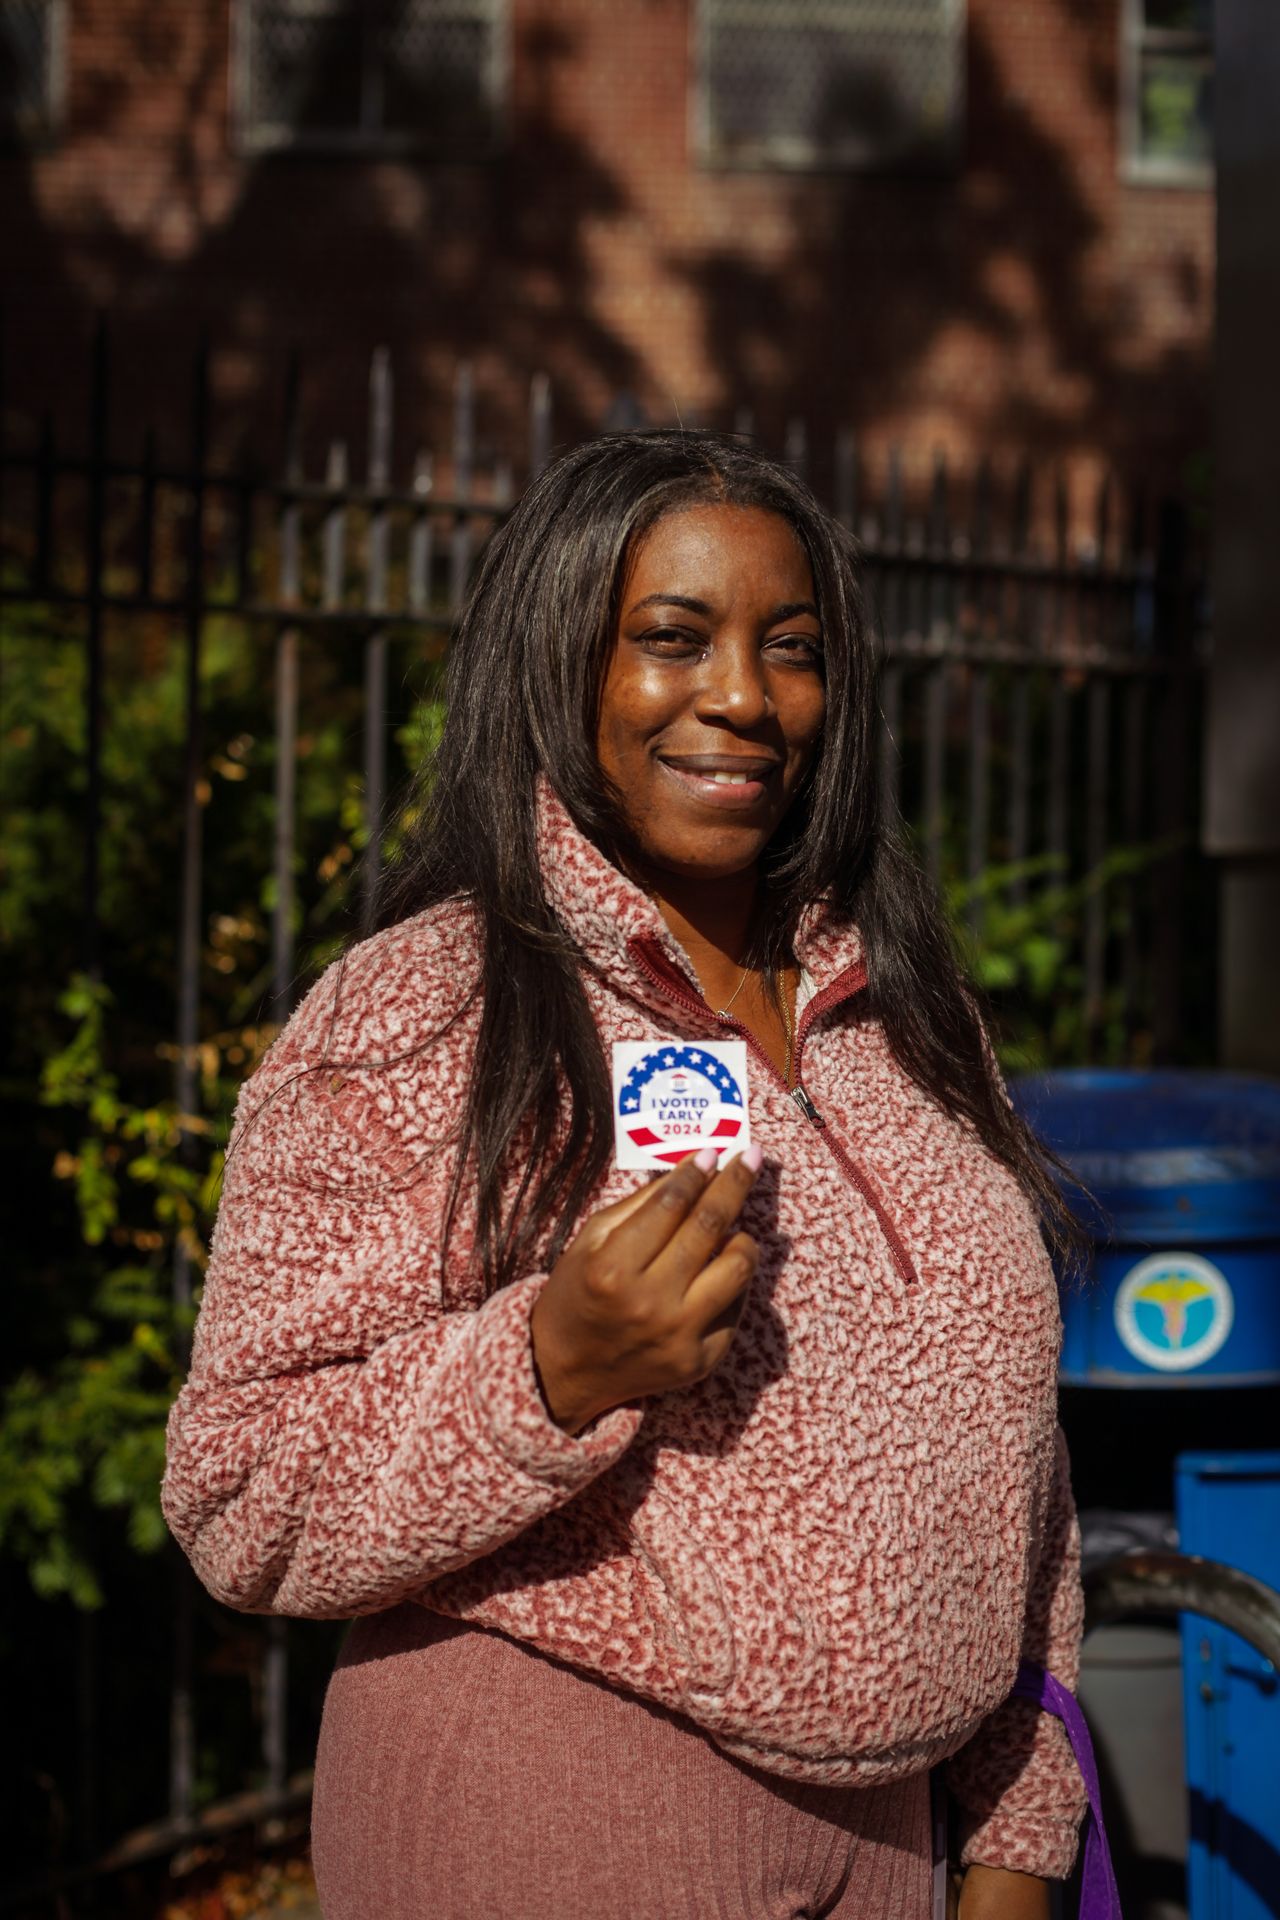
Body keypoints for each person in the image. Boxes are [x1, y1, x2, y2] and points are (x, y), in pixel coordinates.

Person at [162, 431, 1088, 1920]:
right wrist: (548, 1371)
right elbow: (240, 1494)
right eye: (671, 639)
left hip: (903, 1843)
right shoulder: (427, 1011)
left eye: (792, 649)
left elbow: (1013, 1456)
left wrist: (1019, 1838)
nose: (742, 696)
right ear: (558, 661)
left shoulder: (908, 1014)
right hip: (555, 1813)